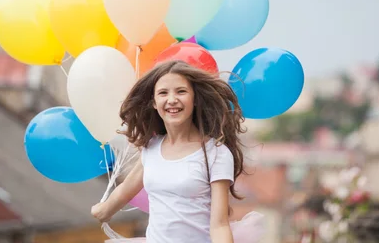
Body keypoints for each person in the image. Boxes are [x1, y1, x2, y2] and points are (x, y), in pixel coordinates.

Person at [91, 60, 265, 243]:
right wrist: (103, 210)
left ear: (195, 99)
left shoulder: (216, 153)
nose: (172, 99)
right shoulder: (151, 148)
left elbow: (219, 224)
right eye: (163, 93)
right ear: (154, 102)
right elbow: (123, 192)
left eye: (181, 91)